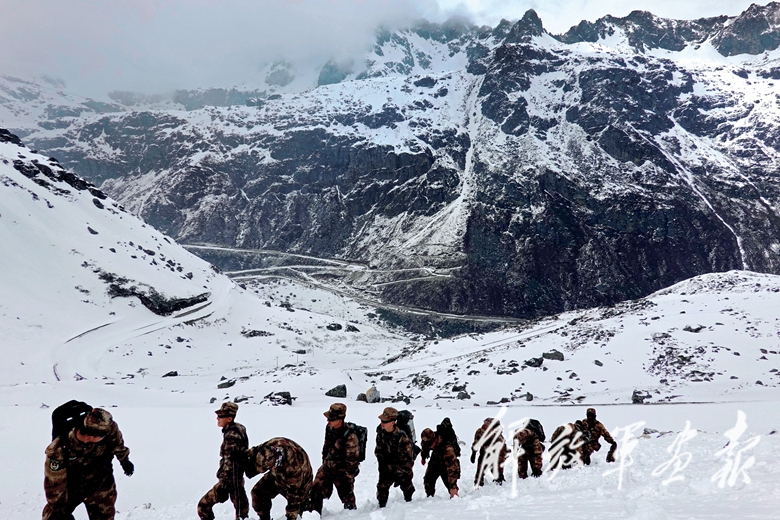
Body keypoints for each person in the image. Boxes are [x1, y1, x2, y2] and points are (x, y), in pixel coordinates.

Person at [42, 407, 134, 520]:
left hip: (100, 483)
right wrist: (61, 511)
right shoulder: (58, 450)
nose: (105, 437)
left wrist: (125, 461)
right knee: (55, 517)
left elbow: (117, 443)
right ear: (90, 436)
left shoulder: (107, 428)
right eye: (102, 437)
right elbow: (54, 485)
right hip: (71, 488)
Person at [198, 402, 249, 520]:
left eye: (220, 416)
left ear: (229, 419)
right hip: (237, 481)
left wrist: (225, 483)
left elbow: (232, 462)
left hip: (230, 481)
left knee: (203, 506)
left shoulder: (232, 435)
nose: (217, 418)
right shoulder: (239, 428)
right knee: (242, 513)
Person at [308, 403, 361, 514]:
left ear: (339, 420)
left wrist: (347, 478)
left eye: (331, 419)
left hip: (342, 471)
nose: (328, 421)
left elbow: (352, 461)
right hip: (328, 467)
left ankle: (353, 515)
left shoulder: (350, 437)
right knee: (315, 490)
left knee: (347, 498)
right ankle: (314, 515)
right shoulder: (329, 428)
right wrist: (325, 463)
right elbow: (326, 447)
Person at [245, 437, 313, 520]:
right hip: (278, 475)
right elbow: (254, 451)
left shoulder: (295, 467)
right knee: (257, 493)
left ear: (273, 466)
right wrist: (240, 456)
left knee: (300, 511)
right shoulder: (271, 445)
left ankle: (310, 509)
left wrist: (291, 517)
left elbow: (294, 499)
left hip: (300, 486)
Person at [375, 407, 415, 507]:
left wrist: (401, 469)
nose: (382, 423)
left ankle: (410, 504)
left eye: (385, 421)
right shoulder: (381, 432)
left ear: (393, 422)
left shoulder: (402, 436)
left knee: (406, 486)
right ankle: (381, 507)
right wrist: (382, 463)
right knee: (382, 487)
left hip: (402, 465)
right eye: (381, 420)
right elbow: (378, 450)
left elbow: (408, 456)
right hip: (387, 464)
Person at [420, 420, 460, 498]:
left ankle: (455, 497)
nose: (429, 447)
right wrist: (423, 457)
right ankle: (430, 497)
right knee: (428, 480)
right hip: (435, 460)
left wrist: (453, 486)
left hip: (446, 464)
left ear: (435, 440)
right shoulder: (427, 441)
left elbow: (453, 468)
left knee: (450, 484)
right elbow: (424, 448)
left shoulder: (447, 449)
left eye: (430, 445)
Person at [471, 417, 507, 486]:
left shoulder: (480, 431)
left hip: (488, 453)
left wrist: (473, 453)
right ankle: (498, 481)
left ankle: (478, 485)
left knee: (480, 473)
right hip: (492, 453)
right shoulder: (498, 435)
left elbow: (476, 444)